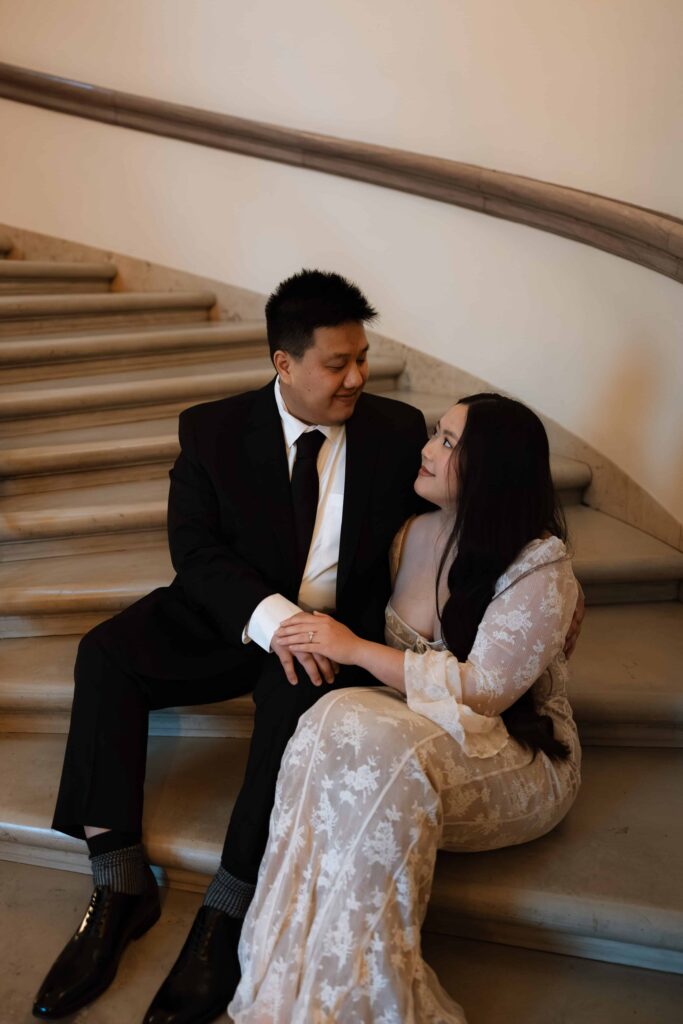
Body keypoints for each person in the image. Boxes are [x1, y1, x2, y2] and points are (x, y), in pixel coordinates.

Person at [31, 270, 432, 1024]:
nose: (357, 376)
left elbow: (459, 520)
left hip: (332, 637)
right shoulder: (211, 428)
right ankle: (118, 878)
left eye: (362, 358)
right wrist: (269, 616)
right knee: (106, 652)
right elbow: (193, 547)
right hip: (235, 616)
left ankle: (228, 905)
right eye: (336, 363)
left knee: (294, 704)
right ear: (284, 364)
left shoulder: (397, 430)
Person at [227, 393, 583, 1023]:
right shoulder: (410, 535)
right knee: (324, 720)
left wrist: (357, 649)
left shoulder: (539, 566)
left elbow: (485, 692)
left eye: (448, 442)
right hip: (415, 730)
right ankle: (293, 985)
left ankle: (367, 999)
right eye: (435, 434)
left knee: (378, 742)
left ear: (491, 468)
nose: (426, 449)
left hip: (516, 753)